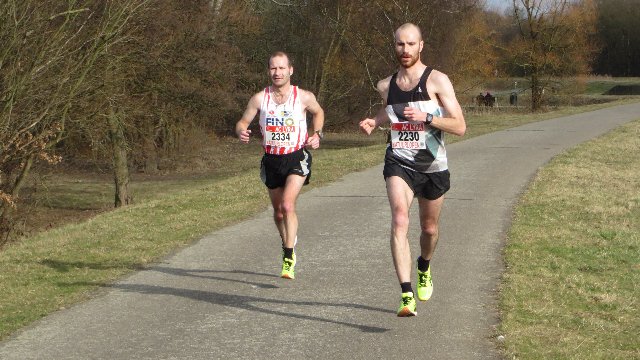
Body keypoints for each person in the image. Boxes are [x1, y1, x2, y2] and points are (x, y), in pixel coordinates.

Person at [359, 23, 466, 316]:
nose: (405, 50)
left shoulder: (438, 81)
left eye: (410, 44)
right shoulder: (385, 85)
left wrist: (427, 117)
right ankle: (406, 295)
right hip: (399, 162)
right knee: (399, 219)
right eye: (399, 44)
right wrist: (375, 121)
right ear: (394, 46)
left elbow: (460, 126)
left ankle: (424, 266)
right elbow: (391, 110)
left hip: (433, 166)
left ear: (421, 46)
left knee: (429, 229)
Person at [235, 51, 325, 280]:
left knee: (287, 205)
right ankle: (288, 240)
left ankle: (288, 255)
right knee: (277, 213)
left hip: (296, 156)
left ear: (290, 70)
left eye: (282, 68)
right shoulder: (259, 98)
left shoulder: (303, 97)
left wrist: (317, 134)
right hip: (271, 159)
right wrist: (241, 132)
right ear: (269, 71)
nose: (277, 73)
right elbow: (243, 122)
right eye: (273, 69)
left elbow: (318, 112)